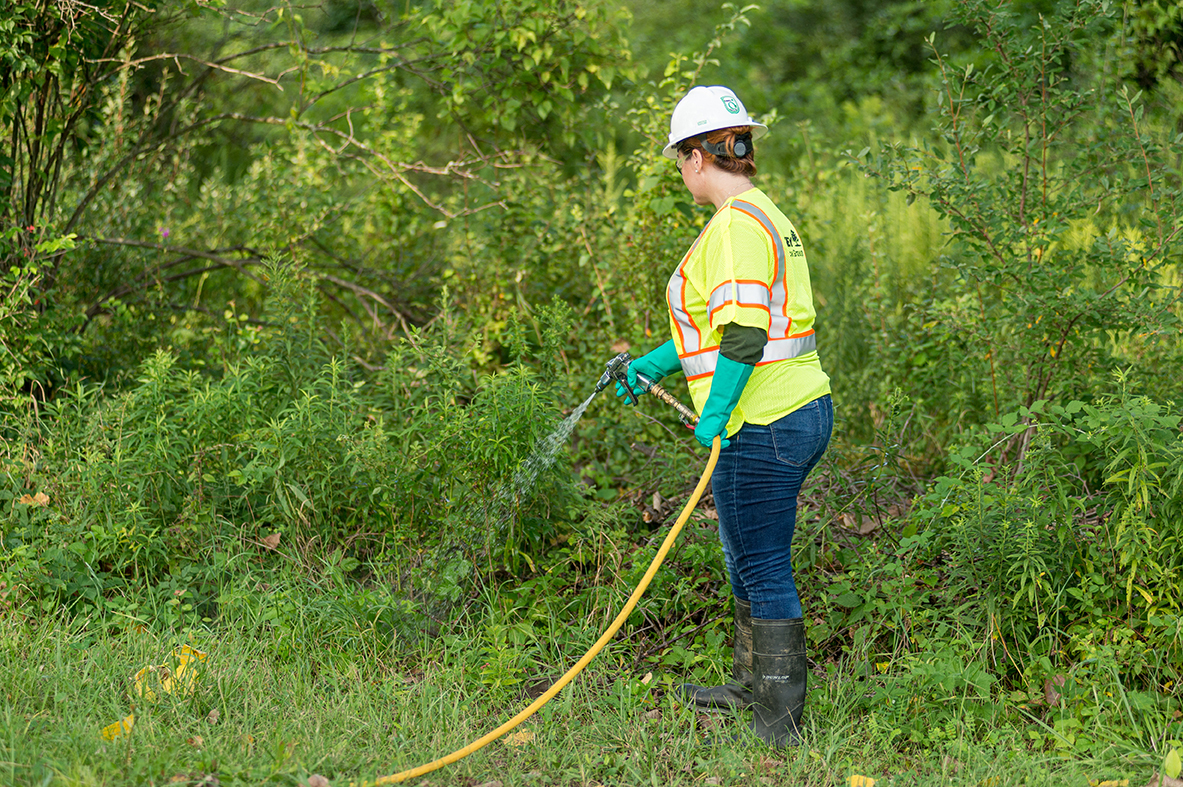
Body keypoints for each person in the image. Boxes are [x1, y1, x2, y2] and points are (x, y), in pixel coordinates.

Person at [617, 85, 833, 747]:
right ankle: (750, 686)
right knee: (744, 556)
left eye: (678, 160)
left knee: (762, 565)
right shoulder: (760, 213)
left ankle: (778, 726)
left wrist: (715, 412)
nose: (679, 172)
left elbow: (742, 334)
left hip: (764, 420)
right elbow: (721, 325)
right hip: (792, 408)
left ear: (693, 157)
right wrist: (656, 363)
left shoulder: (736, 227)